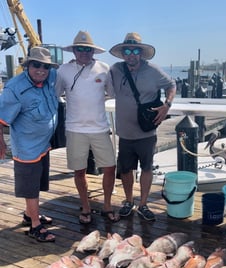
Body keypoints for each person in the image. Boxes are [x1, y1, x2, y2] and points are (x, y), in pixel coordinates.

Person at [108, 32, 176, 221]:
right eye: (127, 50)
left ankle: (143, 204)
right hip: (125, 132)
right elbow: (102, 86)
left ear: (141, 53)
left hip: (147, 131)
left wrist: (167, 105)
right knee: (126, 170)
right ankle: (128, 201)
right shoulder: (115, 69)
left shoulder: (153, 70)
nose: (131, 54)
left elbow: (171, 85)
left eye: (135, 50)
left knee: (146, 168)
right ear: (123, 53)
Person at [55, 31, 119, 224]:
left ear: (93, 52)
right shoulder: (62, 70)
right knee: (79, 171)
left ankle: (107, 205)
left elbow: (114, 93)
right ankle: (85, 206)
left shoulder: (104, 68)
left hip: (100, 128)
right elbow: (54, 95)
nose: (83, 52)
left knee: (110, 167)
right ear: (74, 50)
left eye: (87, 49)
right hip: (75, 129)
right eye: (80, 48)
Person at [0, 47, 59, 242]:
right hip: (27, 148)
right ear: (27, 66)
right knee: (30, 188)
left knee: (38, 183)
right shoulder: (14, 88)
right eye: (36, 65)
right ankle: (35, 226)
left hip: (43, 145)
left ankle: (29, 214)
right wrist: (1, 143)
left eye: (46, 66)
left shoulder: (50, 78)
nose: (41, 69)